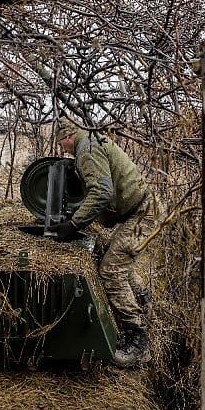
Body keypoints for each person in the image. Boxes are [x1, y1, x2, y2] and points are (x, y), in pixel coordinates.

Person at [50, 118, 157, 368]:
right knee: (119, 261)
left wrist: (73, 225)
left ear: (68, 137)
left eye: (61, 144)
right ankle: (145, 305)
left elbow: (101, 192)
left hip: (140, 214)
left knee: (111, 271)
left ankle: (138, 342)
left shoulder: (86, 150)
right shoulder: (91, 141)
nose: (63, 149)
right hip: (142, 208)